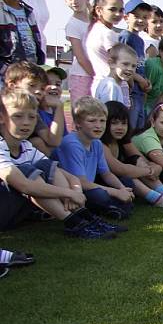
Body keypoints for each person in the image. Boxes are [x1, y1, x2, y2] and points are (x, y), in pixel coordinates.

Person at [0, 89, 117, 239]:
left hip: (17, 210)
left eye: (32, 117)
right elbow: (25, 186)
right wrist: (68, 193)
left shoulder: (26, 146)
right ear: (2, 118)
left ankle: (84, 218)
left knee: (47, 167)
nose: (26, 122)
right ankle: (75, 223)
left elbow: (62, 173)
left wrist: (75, 190)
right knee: (26, 171)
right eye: (17, 116)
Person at [53, 96, 134, 221]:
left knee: (126, 182)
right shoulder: (72, 144)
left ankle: (112, 209)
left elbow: (106, 173)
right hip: (76, 190)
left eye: (102, 121)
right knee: (99, 195)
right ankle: (109, 209)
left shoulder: (96, 143)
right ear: (78, 124)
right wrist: (117, 193)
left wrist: (121, 188)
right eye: (92, 121)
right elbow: (82, 182)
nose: (98, 126)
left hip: (89, 186)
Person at [100, 100, 163, 209]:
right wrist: (148, 171)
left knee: (136, 160)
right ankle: (157, 199)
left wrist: (152, 166)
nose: (120, 127)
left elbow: (142, 160)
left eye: (124, 123)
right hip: (105, 184)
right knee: (128, 176)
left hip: (128, 177)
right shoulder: (101, 144)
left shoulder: (124, 141)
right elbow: (119, 169)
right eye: (114, 123)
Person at [0, 0, 45, 87]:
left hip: (27, 80)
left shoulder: (28, 12)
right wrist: (9, 73)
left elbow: (35, 48)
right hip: (6, 81)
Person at [3, 61, 64, 155]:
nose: (38, 91)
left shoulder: (32, 112)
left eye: (42, 88)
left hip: (17, 155)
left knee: (37, 142)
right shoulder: (3, 107)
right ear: (12, 86)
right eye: (32, 85)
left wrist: (59, 107)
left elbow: (53, 141)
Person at [118, 0, 152, 129]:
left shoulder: (140, 40)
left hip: (139, 92)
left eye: (144, 17)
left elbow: (140, 66)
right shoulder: (126, 36)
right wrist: (139, 80)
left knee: (139, 126)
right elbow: (122, 65)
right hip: (130, 91)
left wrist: (145, 81)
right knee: (130, 126)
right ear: (126, 17)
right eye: (136, 16)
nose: (141, 20)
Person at [62, 0, 93, 108]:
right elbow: (80, 57)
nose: (74, 2)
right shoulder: (73, 25)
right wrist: (95, 74)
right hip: (82, 75)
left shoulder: (95, 21)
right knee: (81, 112)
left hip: (96, 72)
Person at [85, 0, 124, 93]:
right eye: (112, 9)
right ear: (99, 10)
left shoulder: (94, 29)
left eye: (121, 10)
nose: (118, 14)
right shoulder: (108, 33)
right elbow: (120, 62)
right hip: (112, 84)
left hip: (99, 84)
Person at [92, 43, 136, 109]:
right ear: (111, 63)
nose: (130, 69)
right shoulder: (111, 86)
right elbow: (109, 113)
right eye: (125, 64)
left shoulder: (112, 84)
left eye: (133, 66)